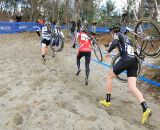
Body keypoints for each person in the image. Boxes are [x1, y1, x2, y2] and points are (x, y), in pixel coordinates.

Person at [100, 23, 152, 125]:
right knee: (132, 87)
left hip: (126, 59)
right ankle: (146, 108)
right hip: (134, 61)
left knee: (109, 77)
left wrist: (108, 52)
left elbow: (115, 42)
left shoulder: (117, 35)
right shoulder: (127, 38)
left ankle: (107, 101)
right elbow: (126, 48)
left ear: (112, 31)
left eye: (111, 33)